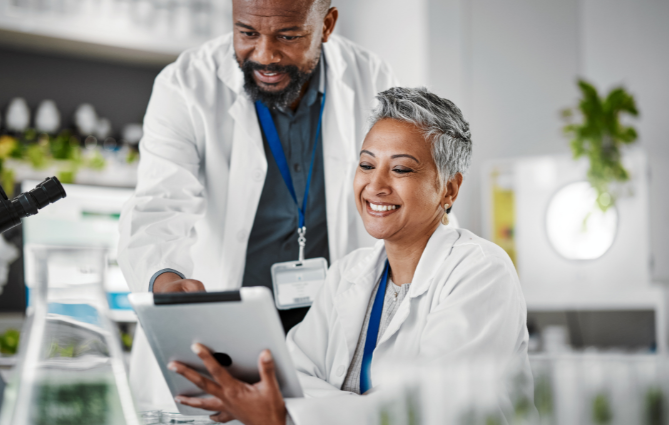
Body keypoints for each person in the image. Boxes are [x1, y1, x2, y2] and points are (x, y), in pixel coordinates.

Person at [168, 87, 531, 424]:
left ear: (448, 188)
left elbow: (427, 410)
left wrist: (290, 414)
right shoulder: (349, 273)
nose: (375, 185)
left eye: (401, 169)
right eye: (367, 165)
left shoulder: (480, 271)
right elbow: (292, 378)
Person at [118, 0, 399, 411]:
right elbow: (159, 205)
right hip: (225, 335)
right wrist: (166, 281)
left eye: (288, 36)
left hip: (329, 340)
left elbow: (408, 195)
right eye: (247, 33)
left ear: (327, 24)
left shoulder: (372, 78)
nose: (265, 55)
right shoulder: (184, 83)